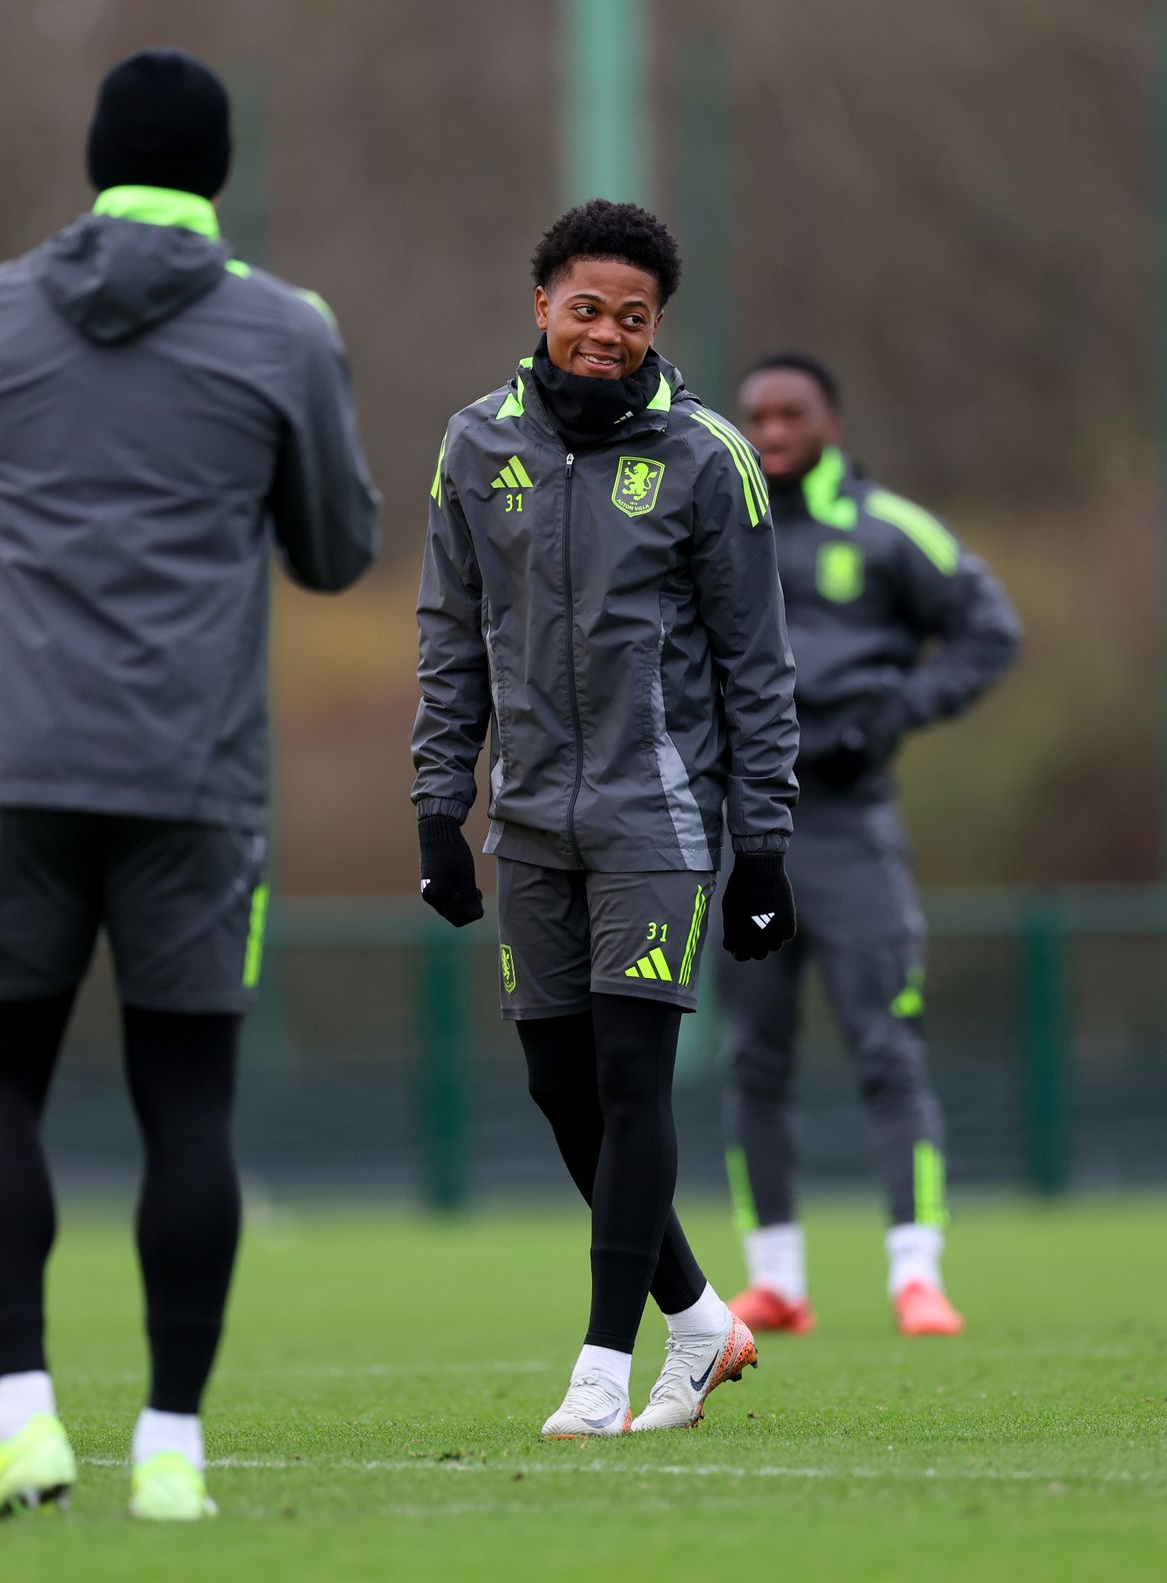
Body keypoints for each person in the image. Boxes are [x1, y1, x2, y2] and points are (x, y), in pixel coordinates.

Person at [0, 49, 378, 1522]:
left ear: (94, 157)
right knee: (189, 1105)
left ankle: (24, 1421)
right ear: (219, 172)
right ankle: (171, 1444)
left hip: (21, 767)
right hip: (195, 780)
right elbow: (334, 549)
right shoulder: (281, 328)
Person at [413, 199, 799, 1437]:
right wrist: (437, 803)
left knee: (634, 1079)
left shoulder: (705, 456)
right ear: (541, 307)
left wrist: (765, 840)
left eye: (633, 317)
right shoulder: (474, 446)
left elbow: (756, 661)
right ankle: (700, 1318)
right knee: (557, 1083)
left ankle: (602, 1361)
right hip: (528, 824)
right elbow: (446, 640)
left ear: (656, 328)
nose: (606, 333)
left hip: (660, 819)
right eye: (586, 308)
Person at [722, 352, 1019, 1337]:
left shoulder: (892, 529)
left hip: (852, 832)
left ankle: (916, 1274)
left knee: (887, 1050)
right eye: (755, 412)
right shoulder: (717, 521)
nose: (768, 429)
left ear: (830, 422)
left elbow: (990, 628)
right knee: (751, 1057)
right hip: (744, 832)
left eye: (789, 412)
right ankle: (776, 1278)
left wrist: (893, 714)